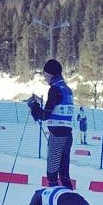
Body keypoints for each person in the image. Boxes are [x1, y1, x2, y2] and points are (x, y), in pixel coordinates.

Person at [27, 59, 74, 189]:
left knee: (52, 174)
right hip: (68, 135)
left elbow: (45, 115)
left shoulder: (54, 89)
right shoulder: (67, 89)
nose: (45, 77)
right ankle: (70, 199)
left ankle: (56, 199)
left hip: (57, 135)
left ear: (51, 74)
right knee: (64, 175)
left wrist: (34, 106)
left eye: (45, 74)